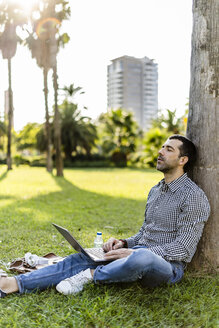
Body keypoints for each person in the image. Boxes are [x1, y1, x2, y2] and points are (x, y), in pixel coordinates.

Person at [0, 135, 210, 298]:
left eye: (168, 149)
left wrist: (132, 253)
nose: (160, 151)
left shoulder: (193, 197)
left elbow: (183, 249)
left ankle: (90, 276)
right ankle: (12, 284)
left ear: (183, 160)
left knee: (142, 257)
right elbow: (145, 233)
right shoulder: (156, 190)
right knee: (83, 257)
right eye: (162, 147)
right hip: (137, 253)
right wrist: (123, 243)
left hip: (167, 267)